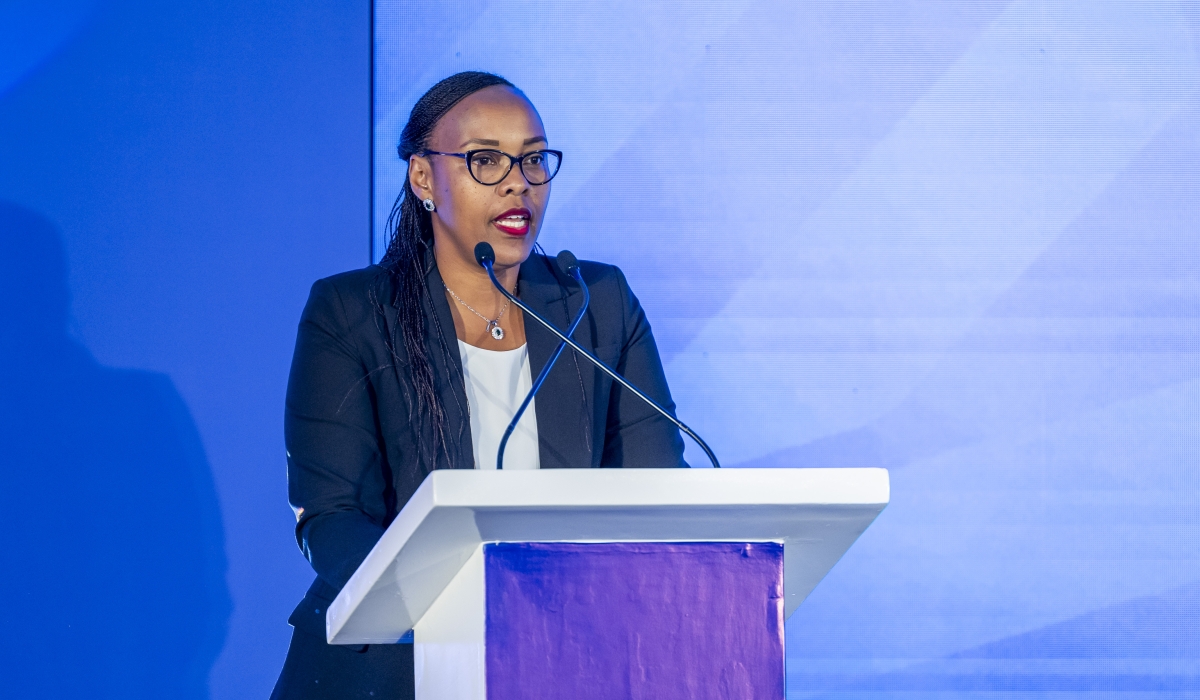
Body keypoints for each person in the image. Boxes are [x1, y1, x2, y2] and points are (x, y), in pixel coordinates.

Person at [270, 71, 687, 699]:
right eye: (485, 160)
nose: (517, 181)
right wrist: (469, 615)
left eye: (532, 159)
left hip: (568, 660)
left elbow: (655, 491)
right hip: (388, 669)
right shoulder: (352, 311)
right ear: (422, 178)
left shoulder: (595, 304)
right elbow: (333, 517)